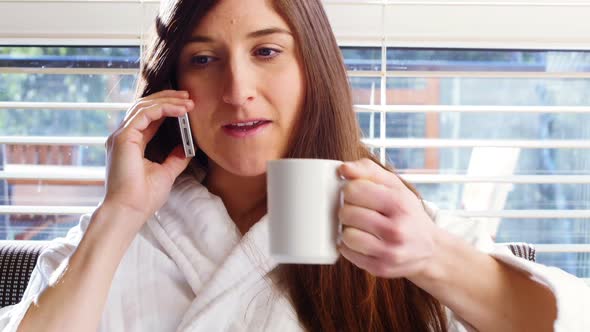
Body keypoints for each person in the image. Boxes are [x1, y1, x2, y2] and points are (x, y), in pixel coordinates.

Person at [1, 0, 589, 331]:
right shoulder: (120, 236)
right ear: (174, 86)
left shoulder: (396, 225)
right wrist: (120, 213)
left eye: (266, 51)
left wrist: (431, 255)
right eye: (204, 59)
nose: (237, 89)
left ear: (313, 69)